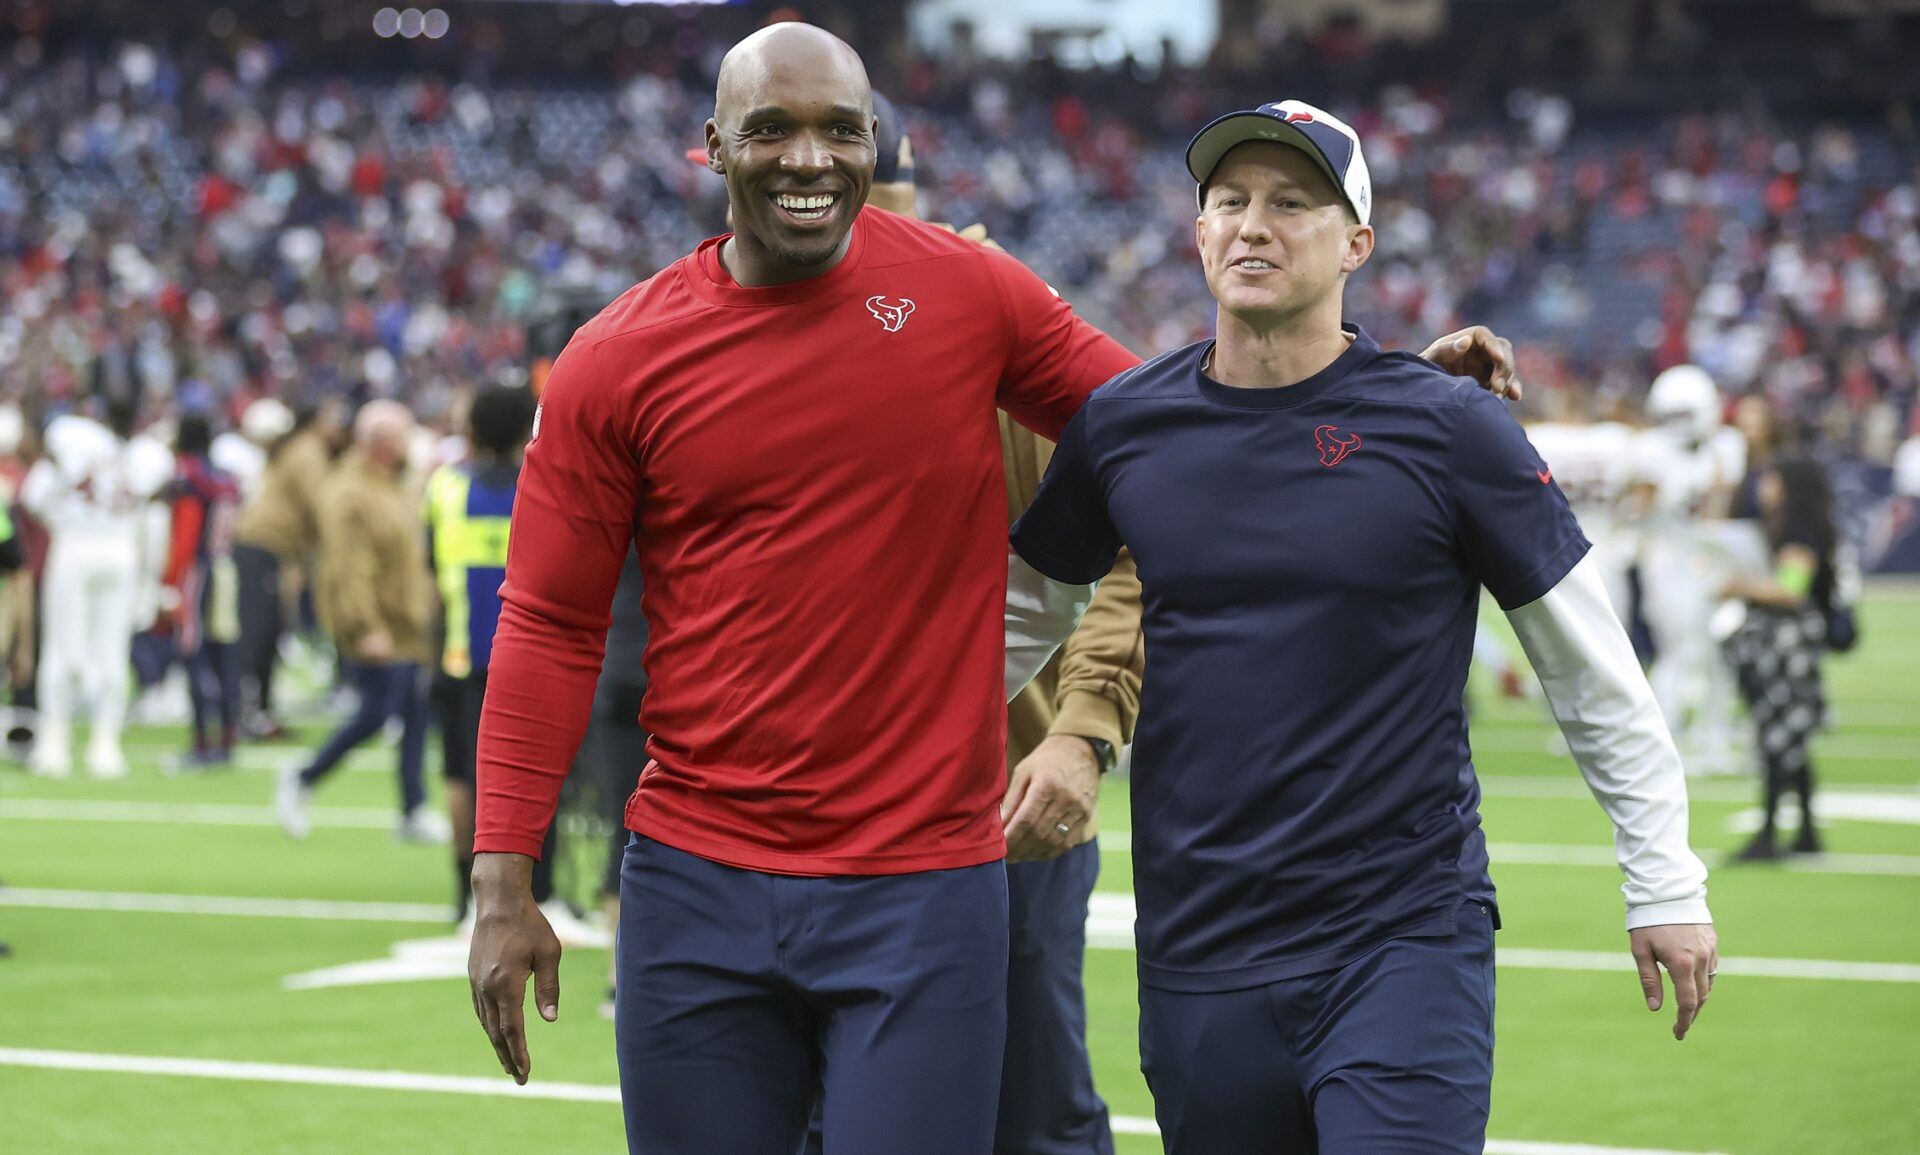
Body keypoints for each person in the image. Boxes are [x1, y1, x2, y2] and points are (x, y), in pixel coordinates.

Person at [465, 27, 1519, 1153]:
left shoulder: (969, 296)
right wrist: (502, 877)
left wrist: (1394, 392)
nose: (809, 159)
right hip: (694, 881)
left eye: (840, 130)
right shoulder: (613, 359)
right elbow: (551, 622)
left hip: (924, 882)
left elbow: (1190, 428)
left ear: (877, 143)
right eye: (771, 129)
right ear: (712, 147)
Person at [1007, 100, 1717, 1154]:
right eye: (1230, 201)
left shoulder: (1450, 426)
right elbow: (1018, 621)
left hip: (1400, 940)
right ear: (1197, 232)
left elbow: (1588, 668)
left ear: (1357, 245)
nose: (1254, 225)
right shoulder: (1123, 424)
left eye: (1293, 203)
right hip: (1199, 951)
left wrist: (1663, 878)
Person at [425, 384, 588, 935]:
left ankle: (462, 898)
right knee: (542, 774)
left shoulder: (445, 488)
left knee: (460, 778)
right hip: (532, 656)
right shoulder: (540, 485)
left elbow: (431, 574)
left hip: (457, 654)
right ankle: (542, 895)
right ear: (526, 430)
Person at [277, 400, 437, 842]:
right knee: (376, 714)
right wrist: (365, 626)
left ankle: (413, 808)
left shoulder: (397, 486)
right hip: (379, 625)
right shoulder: (348, 492)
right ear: (382, 444)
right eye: (403, 437)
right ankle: (304, 776)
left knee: (415, 715)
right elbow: (346, 569)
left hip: (409, 623)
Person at [20, 395, 173, 779]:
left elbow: (33, 497)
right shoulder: (138, 458)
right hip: (119, 552)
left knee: (61, 650)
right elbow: (149, 511)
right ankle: (105, 746)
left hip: (75, 546)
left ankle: (54, 743)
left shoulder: (70, 453)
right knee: (112, 653)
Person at [1722, 457, 1838, 860]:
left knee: (1776, 738)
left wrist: (1739, 585)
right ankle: (1806, 831)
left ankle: (1771, 833)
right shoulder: (1801, 524)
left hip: (1787, 646)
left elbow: (1791, 590)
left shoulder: (1797, 528)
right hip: (1791, 644)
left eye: (1772, 478)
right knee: (1792, 740)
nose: (1763, 486)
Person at [233, 401, 340, 741]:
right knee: (259, 634)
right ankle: (246, 714)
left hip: (271, 549)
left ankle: (259, 713)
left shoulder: (294, 451)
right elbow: (321, 502)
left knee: (267, 633)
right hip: (265, 546)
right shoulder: (308, 450)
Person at [160, 412, 245, 769]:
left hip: (198, 573)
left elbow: (186, 538)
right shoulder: (224, 478)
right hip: (226, 569)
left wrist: (171, 585)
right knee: (225, 655)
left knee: (195, 654)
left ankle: (202, 743)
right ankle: (227, 739)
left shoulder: (190, 479)